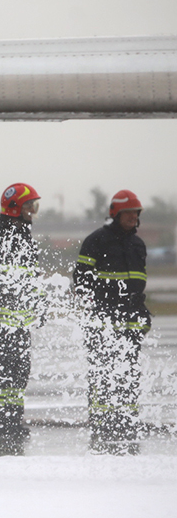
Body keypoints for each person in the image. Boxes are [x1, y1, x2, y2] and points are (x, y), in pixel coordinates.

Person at [0, 184, 45, 456]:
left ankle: (13, 419)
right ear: (15, 207)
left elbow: (31, 278)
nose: (33, 212)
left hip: (18, 323)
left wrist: (39, 303)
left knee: (18, 373)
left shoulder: (25, 238)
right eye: (29, 206)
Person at [74, 189, 150, 455]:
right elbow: (81, 280)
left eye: (136, 213)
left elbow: (137, 285)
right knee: (103, 374)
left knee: (128, 373)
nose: (133, 217)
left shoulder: (138, 244)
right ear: (116, 214)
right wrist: (99, 305)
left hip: (129, 323)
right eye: (129, 212)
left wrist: (140, 312)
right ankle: (103, 423)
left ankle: (126, 420)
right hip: (103, 322)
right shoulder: (96, 241)